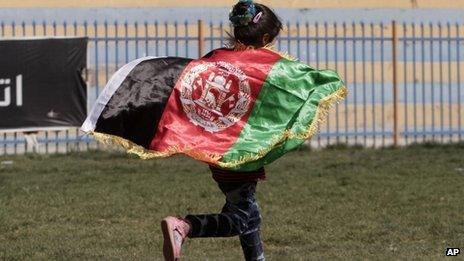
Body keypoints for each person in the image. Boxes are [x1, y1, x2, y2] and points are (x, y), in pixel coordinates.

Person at [160, 1, 283, 260]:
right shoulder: (262, 69)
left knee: (250, 215)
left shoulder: (216, 59)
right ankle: (183, 227)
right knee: (240, 219)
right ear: (264, 38)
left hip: (217, 153)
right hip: (240, 155)